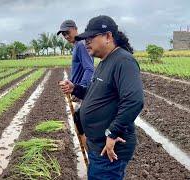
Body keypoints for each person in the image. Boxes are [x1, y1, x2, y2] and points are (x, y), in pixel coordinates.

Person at [59, 15, 144, 179]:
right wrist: (75, 88)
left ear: (108, 36)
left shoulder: (123, 61)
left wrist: (112, 133)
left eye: (91, 37)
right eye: (85, 39)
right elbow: (95, 93)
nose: (87, 42)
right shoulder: (105, 61)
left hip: (110, 149)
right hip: (97, 145)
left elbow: (134, 100)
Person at [57, 19, 94, 93]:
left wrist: (81, 89)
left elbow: (89, 69)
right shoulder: (77, 45)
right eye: (64, 34)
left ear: (75, 29)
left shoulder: (80, 45)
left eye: (68, 32)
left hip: (81, 90)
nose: (66, 36)